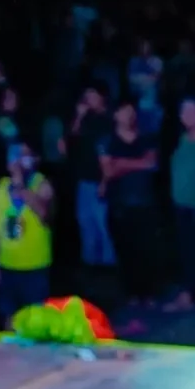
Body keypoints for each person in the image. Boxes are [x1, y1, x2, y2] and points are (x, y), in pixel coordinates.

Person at [100, 100, 161, 298]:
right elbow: (108, 170)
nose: (129, 115)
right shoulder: (108, 140)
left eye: (131, 111)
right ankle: (132, 294)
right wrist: (138, 163)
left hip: (145, 202)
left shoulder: (146, 137)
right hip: (120, 204)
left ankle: (148, 293)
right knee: (126, 251)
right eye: (124, 112)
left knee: (147, 249)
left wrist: (122, 163)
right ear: (115, 115)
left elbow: (151, 163)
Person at [0, 141, 54, 320]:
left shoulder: (42, 184)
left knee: (35, 321)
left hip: (34, 266)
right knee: (8, 318)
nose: (19, 159)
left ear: (34, 159)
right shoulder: (1, 187)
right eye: (15, 154)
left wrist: (21, 187)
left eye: (25, 155)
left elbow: (44, 215)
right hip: (7, 265)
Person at [69, 82, 117, 269]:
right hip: (84, 179)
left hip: (101, 179)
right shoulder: (84, 118)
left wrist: (105, 180)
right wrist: (79, 116)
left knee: (103, 224)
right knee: (85, 221)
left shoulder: (109, 119)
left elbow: (110, 153)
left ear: (101, 96)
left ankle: (108, 266)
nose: (89, 100)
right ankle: (89, 264)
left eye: (92, 96)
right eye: (86, 97)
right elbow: (71, 139)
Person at [169, 97, 195, 309]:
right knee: (187, 252)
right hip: (183, 206)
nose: (186, 116)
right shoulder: (181, 139)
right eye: (183, 112)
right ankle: (189, 295)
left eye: (191, 111)